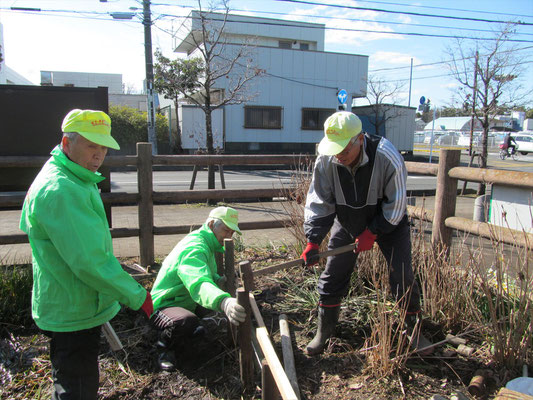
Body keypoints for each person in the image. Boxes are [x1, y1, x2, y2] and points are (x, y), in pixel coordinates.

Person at [19, 109, 153, 400]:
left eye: (103, 146)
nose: (99, 154)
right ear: (67, 143)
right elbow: (90, 262)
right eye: (91, 145)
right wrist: (137, 295)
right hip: (72, 304)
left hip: (71, 297)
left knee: (75, 377)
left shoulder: (75, 177)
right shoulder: (62, 190)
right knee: (77, 387)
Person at [301, 111, 432, 356]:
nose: (339, 156)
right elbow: (320, 201)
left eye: (344, 150)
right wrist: (313, 239)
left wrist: (373, 232)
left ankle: (413, 332)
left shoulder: (386, 156)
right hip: (348, 221)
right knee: (333, 274)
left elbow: (397, 205)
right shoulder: (327, 159)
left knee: (402, 275)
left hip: (388, 223)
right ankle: (324, 331)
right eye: (334, 150)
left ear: (359, 139)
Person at [150, 206, 246, 371]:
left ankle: (186, 331)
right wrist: (223, 301)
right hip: (163, 305)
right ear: (211, 225)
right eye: (226, 230)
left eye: (232, 232)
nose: (229, 236)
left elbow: (206, 274)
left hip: (184, 300)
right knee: (186, 321)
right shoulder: (194, 248)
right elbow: (198, 281)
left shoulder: (207, 243)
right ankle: (164, 347)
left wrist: (219, 281)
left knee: (196, 316)